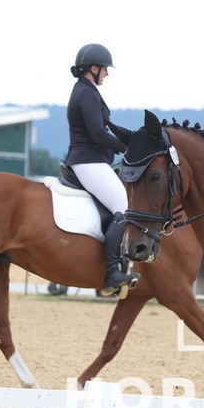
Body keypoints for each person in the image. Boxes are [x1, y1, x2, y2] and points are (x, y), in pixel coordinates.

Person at [65, 43, 137, 293]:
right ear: (93, 68)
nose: (107, 73)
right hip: (88, 160)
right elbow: (97, 134)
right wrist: (126, 149)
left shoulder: (88, 91)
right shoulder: (86, 93)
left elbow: (106, 125)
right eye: (105, 69)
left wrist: (132, 140)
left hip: (92, 159)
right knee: (124, 208)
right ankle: (111, 274)